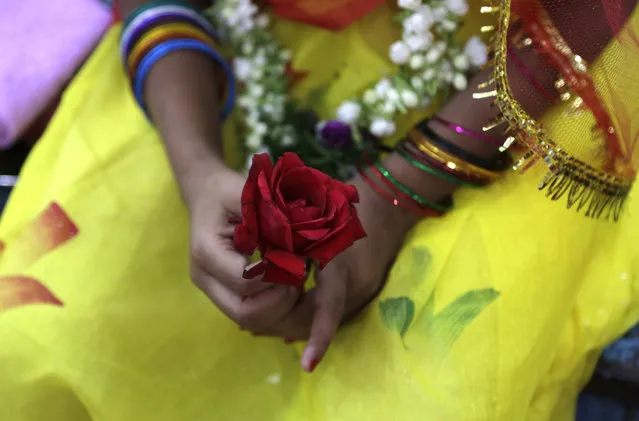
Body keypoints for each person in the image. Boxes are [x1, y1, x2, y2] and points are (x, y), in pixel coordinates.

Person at [0, 0, 637, 420]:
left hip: (519, 84)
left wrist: (395, 196)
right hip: (219, 54)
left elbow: (590, 13)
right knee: (32, 347)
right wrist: (195, 169)